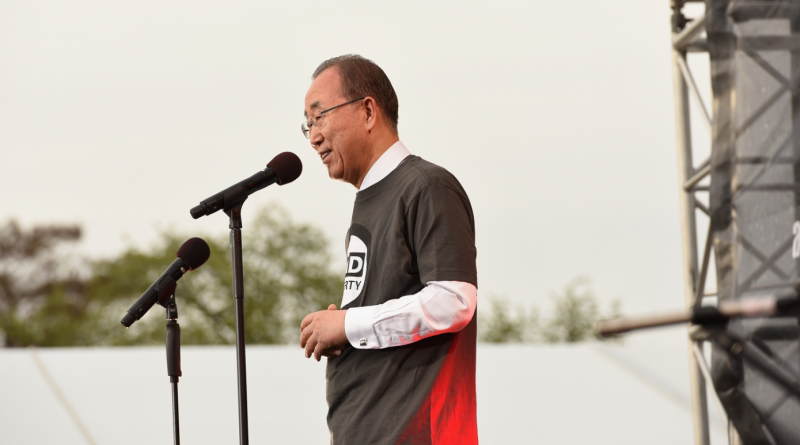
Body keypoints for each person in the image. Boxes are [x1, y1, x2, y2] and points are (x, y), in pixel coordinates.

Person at [299, 54, 478, 445]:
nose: (313, 136)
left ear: (367, 111)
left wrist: (349, 325)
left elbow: (454, 300)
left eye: (321, 116)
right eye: (308, 124)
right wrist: (347, 327)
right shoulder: (370, 199)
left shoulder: (427, 186)